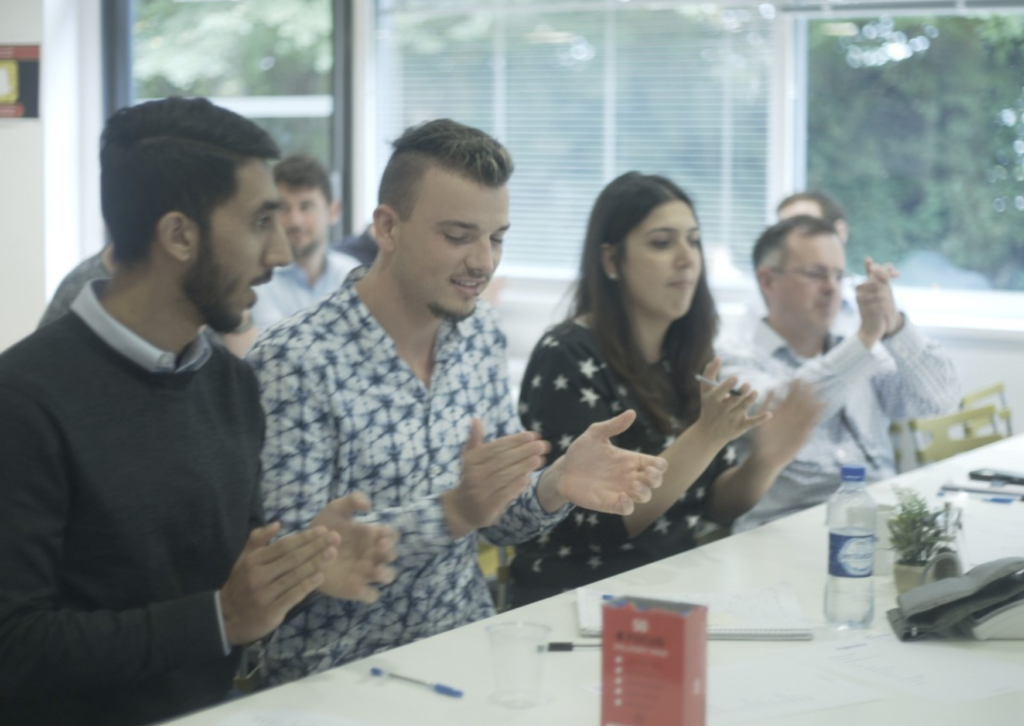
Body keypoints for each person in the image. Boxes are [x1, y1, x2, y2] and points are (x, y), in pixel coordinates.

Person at [0, 97, 397, 726]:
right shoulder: (23, 401)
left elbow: (228, 593)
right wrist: (220, 618)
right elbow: (14, 647)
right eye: (260, 221)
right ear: (179, 234)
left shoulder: (230, 385)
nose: (281, 254)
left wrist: (299, 572)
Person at [248, 119, 668, 685]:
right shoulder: (293, 362)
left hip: (466, 653)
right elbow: (285, 580)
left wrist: (554, 484)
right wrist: (454, 512)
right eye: (458, 236)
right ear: (388, 228)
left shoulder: (480, 334)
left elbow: (496, 523)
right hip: (335, 679)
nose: (482, 262)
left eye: (496, 238)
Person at [511, 172, 822, 605]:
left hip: (676, 593)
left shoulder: (687, 353)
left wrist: (768, 461)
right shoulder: (566, 354)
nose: (686, 258)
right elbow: (608, 523)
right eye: (662, 243)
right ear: (611, 261)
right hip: (577, 604)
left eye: (693, 241)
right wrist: (706, 435)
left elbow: (715, 504)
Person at [720, 215, 961, 532]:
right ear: (767, 281)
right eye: (815, 274)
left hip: (879, 522)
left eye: (838, 275)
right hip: (785, 530)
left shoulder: (862, 353)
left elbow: (941, 402)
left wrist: (896, 326)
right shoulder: (734, 357)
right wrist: (864, 339)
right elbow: (785, 409)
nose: (832, 288)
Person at [249, 154, 359, 331]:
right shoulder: (257, 279)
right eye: (284, 208)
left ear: (333, 211)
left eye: (306, 207)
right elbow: (270, 353)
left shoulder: (352, 275)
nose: (295, 221)